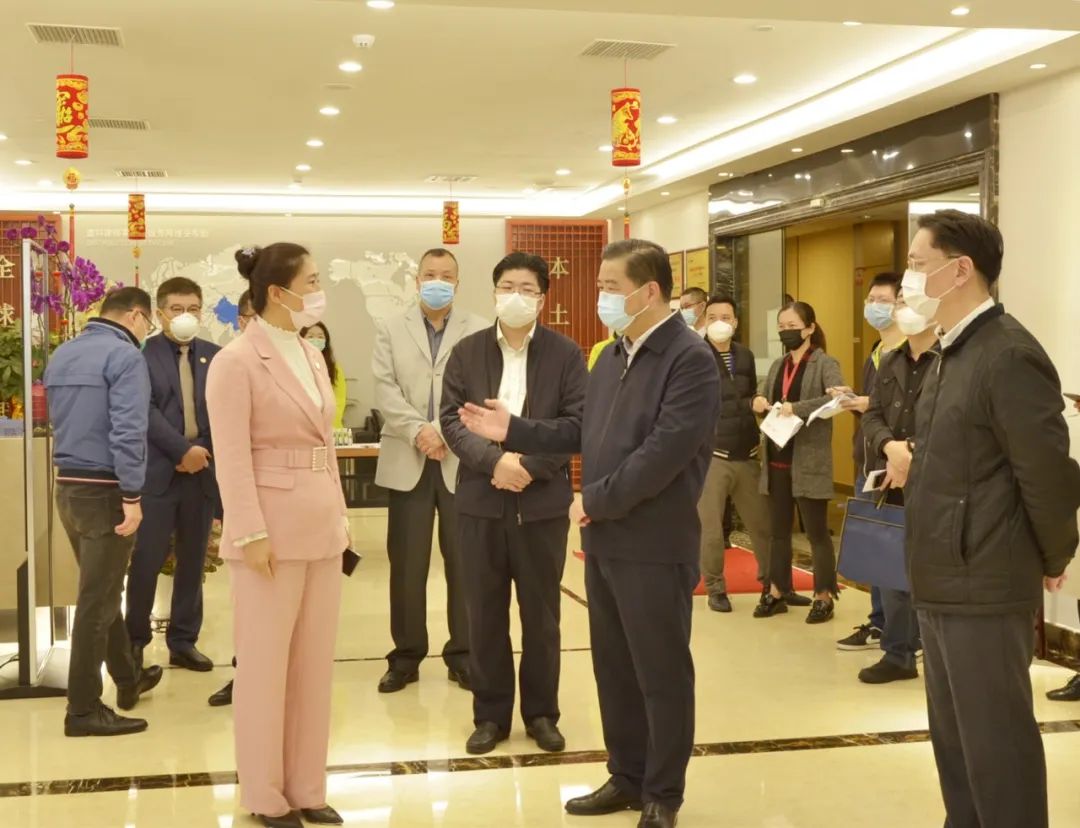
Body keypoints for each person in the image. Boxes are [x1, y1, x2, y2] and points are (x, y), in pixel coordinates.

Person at [458, 239, 719, 828]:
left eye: (609, 287)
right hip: (604, 541)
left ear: (648, 291)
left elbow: (665, 452)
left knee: (660, 673)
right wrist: (514, 428)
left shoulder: (689, 358)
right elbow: (582, 430)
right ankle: (626, 775)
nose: (600, 296)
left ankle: (662, 793)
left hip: (654, 544)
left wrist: (595, 500)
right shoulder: (613, 355)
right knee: (615, 669)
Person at [902, 210, 1079, 828]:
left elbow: (1047, 471)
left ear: (960, 270)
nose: (909, 278)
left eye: (918, 264)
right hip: (942, 575)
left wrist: (1053, 554)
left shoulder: (1007, 355)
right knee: (956, 748)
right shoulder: (951, 352)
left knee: (996, 747)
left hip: (984, 579)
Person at [207, 244, 350, 828]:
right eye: (311, 281)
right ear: (276, 291)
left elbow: (325, 445)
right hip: (268, 533)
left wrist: (341, 517)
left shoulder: (311, 353)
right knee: (265, 670)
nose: (318, 291)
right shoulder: (236, 361)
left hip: (321, 528)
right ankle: (265, 794)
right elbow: (231, 458)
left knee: (313, 667)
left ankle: (307, 787)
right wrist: (249, 532)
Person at [440, 252, 587, 756]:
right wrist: (495, 462)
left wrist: (526, 465)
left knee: (542, 616)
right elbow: (452, 421)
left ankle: (542, 713)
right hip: (480, 502)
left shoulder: (566, 355)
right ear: (494, 293)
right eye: (507, 287)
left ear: (542, 298)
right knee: (484, 614)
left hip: (541, 505)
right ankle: (490, 714)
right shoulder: (467, 352)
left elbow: (576, 425)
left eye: (527, 288)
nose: (516, 296)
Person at [44, 287, 163, 737]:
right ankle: (82, 710)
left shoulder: (64, 353)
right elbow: (129, 429)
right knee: (97, 601)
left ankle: (128, 679)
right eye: (148, 323)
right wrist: (132, 495)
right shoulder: (125, 356)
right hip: (107, 490)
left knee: (104, 588)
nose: (146, 332)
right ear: (135, 316)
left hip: (69, 487)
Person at [372, 248, 488, 693]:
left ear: (457, 283)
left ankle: (464, 654)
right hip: (407, 458)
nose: (437, 281)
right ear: (416, 280)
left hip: (463, 461)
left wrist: (441, 431)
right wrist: (419, 430)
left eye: (446, 275)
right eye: (429, 274)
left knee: (466, 564)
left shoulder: (478, 328)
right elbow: (385, 389)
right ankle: (405, 657)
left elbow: (479, 390)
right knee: (406, 565)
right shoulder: (390, 327)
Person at [125, 277, 220, 675]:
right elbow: (143, 411)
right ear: (160, 313)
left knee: (193, 561)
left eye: (193, 309)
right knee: (146, 561)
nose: (186, 316)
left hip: (202, 473)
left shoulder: (216, 356)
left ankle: (183, 641)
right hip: (158, 474)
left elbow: (225, 410)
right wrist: (182, 451)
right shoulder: (141, 355)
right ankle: (134, 642)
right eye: (177, 309)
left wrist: (201, 453)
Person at [854, 293, 937, 683]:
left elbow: (953, 420)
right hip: (890, 478)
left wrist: (911, 451)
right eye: (900, 300)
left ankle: (934, 652)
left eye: (910, 300)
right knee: (890, 570)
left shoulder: (951, 359)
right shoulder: (891, 360)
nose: (904, 308)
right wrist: (890, 447)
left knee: (930, 573)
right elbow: (872, 414)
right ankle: (898, 653)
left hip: (935, 483)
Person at [753, 300, 844, 623]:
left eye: (792, 326)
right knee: (778, 532)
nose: (785, 332)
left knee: (816, 533)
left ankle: (824, 596)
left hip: (808, 460)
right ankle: (777, 591)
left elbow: (836, 398)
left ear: (809, 328)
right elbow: (763, 394)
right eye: (781, 327)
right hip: (777, 458)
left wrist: (798, 408)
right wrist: (759, 401)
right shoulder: (779, 364)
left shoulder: (825, 363)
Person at [834, 272, 904, 652]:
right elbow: (873, 407)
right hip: (868, 463)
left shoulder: (911, 353)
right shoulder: (877, 351)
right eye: (871, 299)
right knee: (874, 551)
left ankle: (902, 636)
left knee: (893, 554)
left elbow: (903, 412)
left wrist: (867, 404)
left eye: (884, 300)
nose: (874, 306)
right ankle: (879, 623)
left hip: (895, 467)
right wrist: (854, 400)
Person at [697, 294, 772, 613]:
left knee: (762, 525)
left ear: (736, 322)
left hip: (747, 451)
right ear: (704, 321)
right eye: (712, 317)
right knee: (711, 529)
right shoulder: (696, 355)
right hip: (712, 454)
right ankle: (715, 587)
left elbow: (748, 393)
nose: (719, 323)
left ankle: (772, 584)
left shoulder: (745, 355)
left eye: (725, 317)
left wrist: (757, 402)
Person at [207, 288, 253, 709]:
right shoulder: (231, 362)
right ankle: (245, 675)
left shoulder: (306, 359)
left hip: (297, 508)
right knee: (249, 604)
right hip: (243, 495)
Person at [301, 322, 347, 428]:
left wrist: (327, 423)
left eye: (320, 337)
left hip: (331, 427)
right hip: (305, 427)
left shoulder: (334, 368)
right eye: (310, 336)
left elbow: (339, 401)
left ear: (326, 341)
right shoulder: (297, 365)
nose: (316, 340)